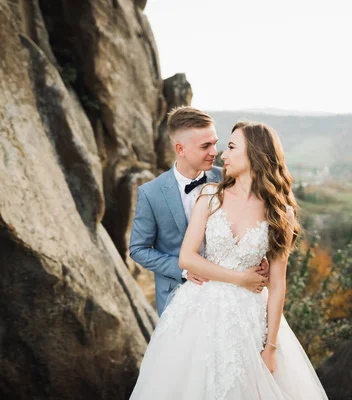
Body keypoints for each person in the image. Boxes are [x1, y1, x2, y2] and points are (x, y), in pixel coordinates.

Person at [130, 121, 328, 399]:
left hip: (250, 318)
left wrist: (270, 347)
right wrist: (241, 278)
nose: (222, 154)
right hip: (198, 311)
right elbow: (187, 258)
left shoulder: (280, 212)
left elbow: (278, 284)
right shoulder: (210, 195)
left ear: (255, 154)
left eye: (232, 147)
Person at [129, 107, 268, 316]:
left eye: (214, 143)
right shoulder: (151, 193)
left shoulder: (229, 178)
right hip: (177, 295)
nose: (215, 152)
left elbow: (252, 220)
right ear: (180, 149)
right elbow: (138, 249)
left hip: (231, 296)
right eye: (205, 146)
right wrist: (183, 269)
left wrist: (256, 256)